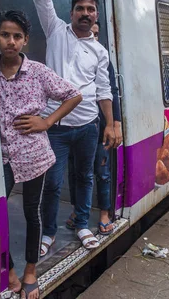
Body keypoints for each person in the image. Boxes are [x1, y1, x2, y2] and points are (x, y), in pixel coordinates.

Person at [34, 0, 119, 255]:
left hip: (87, 126)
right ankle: (48, 233)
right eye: (80, 8)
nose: (85, 13)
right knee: (52, 183)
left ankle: (83, 224)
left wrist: (110, 124)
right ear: (71, 13)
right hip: (54, 126)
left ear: (96, 15)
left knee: (84, 178)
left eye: (90, 10)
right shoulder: (55, 30)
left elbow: (104, 90)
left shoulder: (100, 51)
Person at [0, 10, 82, 298]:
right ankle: (9, 271)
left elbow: (73, 95)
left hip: (34, 156)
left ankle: (30, 270)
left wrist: (47, 121)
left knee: (32, 213)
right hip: (0, 158)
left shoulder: (38, 72)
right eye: (5, 35)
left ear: (25, 41)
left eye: (17, 36)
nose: (11, 41)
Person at [66, 21, 122, 236]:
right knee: (76, 171)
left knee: (102, 172)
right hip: (76, 124)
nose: (93, 38)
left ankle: (104, 214)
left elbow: (111, 91)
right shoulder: (71, 60)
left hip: (99, 129)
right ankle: (78, 211)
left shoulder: (103, 59)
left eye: (97, 35)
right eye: (91, 34)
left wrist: (115, 123)